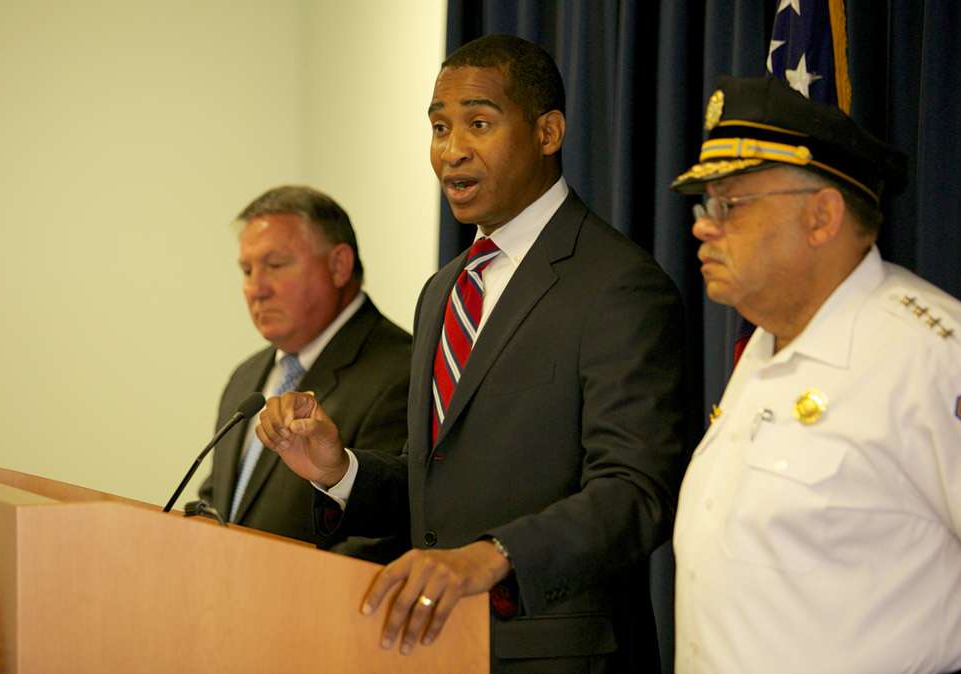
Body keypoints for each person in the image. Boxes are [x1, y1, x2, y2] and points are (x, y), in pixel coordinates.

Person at [257, 35, 685, 672]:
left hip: (560, 657)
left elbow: (635, 493)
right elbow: (436, 490)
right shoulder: (445, 289)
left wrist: (494, 554)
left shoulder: (618, 284)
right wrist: (337, 469)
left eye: (479, 124)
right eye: (438, 127)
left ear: (548, 132)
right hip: (440, 648)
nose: (451, 150)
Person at [669, 75, 961, 674]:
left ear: (822, 216)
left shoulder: (939, 357)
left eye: (730, 204)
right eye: (705, 205)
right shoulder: (763, 347)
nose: (704, 226)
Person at [195, 185, 412, 562]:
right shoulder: (246, 379)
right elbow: (219, 505)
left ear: (338, 265)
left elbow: (384, 538)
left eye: (275, 265)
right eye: (247, 270)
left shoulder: (403, 370)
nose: (256, 289)